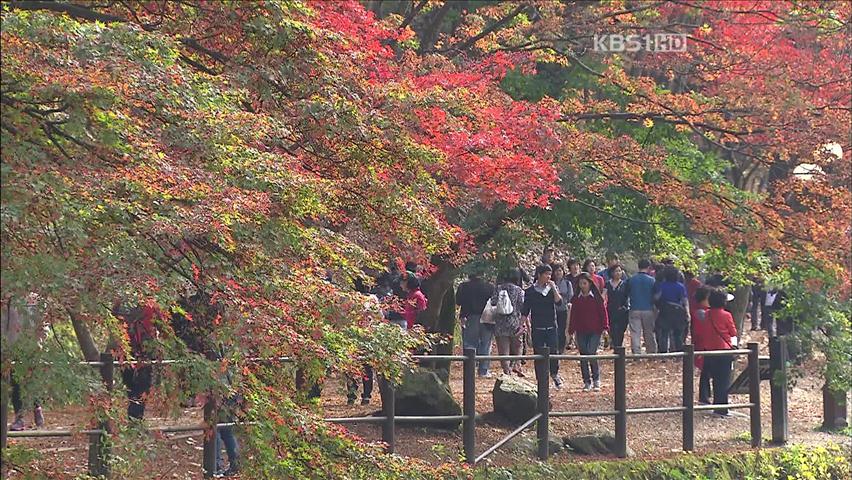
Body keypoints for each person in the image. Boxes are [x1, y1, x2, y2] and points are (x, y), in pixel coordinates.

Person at [2, 294, 47, 431]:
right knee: (15, 381)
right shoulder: (6, 299)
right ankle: (20, 417)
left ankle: (36, 409)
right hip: (11, 346)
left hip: (30, 346)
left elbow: (43, 323)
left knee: (29, 379)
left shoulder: (36, 298)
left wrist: (40, 342)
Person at [112, 302, 159, 420]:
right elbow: (113, 323)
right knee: (130, 383)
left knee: (142, 384)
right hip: (127, 349)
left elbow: (160, 325)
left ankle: (136, 416)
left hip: (145, 349)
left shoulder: (151, 306)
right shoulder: (120, 304)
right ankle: (134, 415)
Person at [697, 288, 738, 417]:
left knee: (714, 379)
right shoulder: (726, 315)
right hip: (723, 351)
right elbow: (733, 333)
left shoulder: (706, 314)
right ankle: (722, 408)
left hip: (709, 350)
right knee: (723, 381)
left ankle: (715, 404)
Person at [521, 264, 564, 389]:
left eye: (550, 274)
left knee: (553, 352)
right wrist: (522, 325)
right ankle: (540, 379)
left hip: (551, 326)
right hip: (537, 327)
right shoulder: (530, 291)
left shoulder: (551, 289)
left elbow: (559, 302)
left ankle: (555, 374)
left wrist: (554, 289)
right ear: (539, 275)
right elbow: (525, 310)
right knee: (538, 354)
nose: (549, 277)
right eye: (546, 274)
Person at [568, 273, 609, 391]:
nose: (583, 286)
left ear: (590, 283)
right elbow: (574, 315)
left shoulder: (596, 298)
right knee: (583, 354)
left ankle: (596, 379)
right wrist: (571, 330)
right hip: (581, 330)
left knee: (591, 352)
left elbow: (603, 313)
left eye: (584, 283)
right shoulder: (577, 299)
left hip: (595, 329)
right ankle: (586, 381)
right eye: (580, 283)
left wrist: (605, 328)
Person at [456, 273, 495, 377]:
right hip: (487, 317)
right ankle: (483, 371)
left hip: (469, 316)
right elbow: (494, 302)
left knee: (469, 343)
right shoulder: (489, 286)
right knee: (486, 344)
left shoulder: (463, 286)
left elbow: (458, 302)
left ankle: (470, 370)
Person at [492, 269, 526, 376]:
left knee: (503, 348)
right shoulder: (519, 290)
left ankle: (507, 370)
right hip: (515, 321)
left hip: (500, 323)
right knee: (518, 344)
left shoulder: (498, 288)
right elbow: (523, 305)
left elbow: (493, 302)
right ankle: (517, 364)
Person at [654, 266, 690, 353]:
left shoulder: (662, 285)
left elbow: (656, 297)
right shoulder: (680, 286)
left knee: (664, 332)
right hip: (678, 310)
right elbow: (685, 300)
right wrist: (688, 312)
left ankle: (663, 352)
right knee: (677, 333)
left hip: (665, 310)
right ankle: (678, 351)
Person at [626, 259, 657, 354]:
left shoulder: (631, 279)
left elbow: (627, 293)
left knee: (635, 333)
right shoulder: (652, 280)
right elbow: (655, 295)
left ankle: (636, 353)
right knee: (649, 332)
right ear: (648, 267)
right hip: (648, 309)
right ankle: (651, 352)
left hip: (634, 308)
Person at [690, 286, 713, 405]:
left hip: (705, 344)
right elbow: (700, 331)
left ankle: (707, 394)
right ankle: (704, 396)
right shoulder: (701, 312)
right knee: (706, 371)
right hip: (703, 344)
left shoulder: (704, 311)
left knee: (707, 371)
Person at [605, 264, 629, 351]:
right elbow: (604, 296)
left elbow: (627, 297)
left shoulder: (625, 284)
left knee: (620, 331)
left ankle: (619, 349)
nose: (618, 273)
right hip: (610, 311)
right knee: (612, 331)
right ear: (611, 273)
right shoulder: (607, 284)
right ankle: (615, 348)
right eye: (616, 271)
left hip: (622, 311)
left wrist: (624, 307)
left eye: (620, 271)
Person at [551, 263, 573, 354]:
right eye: (556, 271)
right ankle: (555, 347)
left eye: (560, 270)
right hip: (553, 309)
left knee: (562, 329)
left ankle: (561, 348)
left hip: (564, 309)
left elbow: (570, 296)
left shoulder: (567, 283)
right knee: (554, 329)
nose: (558, 273)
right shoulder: (550, 283)